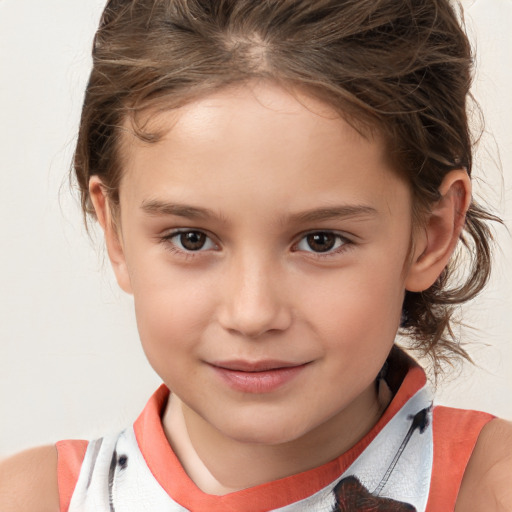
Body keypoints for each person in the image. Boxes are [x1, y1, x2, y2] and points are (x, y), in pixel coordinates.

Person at [1, 0, 511, 510]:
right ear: (115, 230)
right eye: (191, 239)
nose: (252, 313)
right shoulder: (29, 498)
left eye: (321, 241)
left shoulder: (491, 488)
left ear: (431, 233)